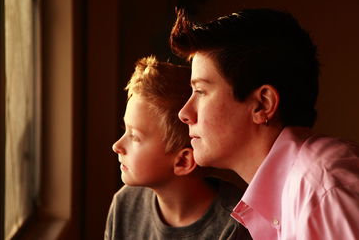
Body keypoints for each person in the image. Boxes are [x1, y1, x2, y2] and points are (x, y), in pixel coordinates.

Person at [170, 8, 359, 240]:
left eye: (201, 91)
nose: (184, 113)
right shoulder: (298, 189)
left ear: (262, 104)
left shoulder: (324, 190)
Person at [105, 56, 251, 240]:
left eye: (134, 136)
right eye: (125, 130)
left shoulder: (236, 225)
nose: (116, 146)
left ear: (182, 161)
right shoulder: (125, 204)